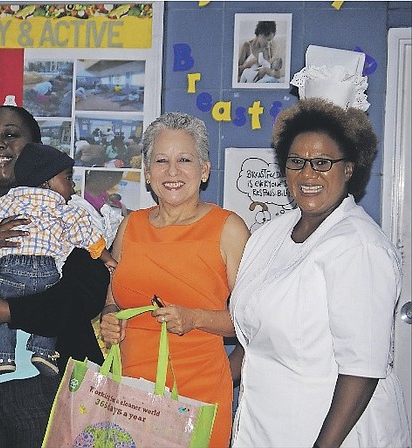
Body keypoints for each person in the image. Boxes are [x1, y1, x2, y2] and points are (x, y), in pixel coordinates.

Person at [228, 98, 411, 447]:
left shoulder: (360, 247)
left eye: (323, 162)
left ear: (349, 169)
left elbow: (362, 370)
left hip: (331, 432)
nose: (308, 174)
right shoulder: (270, 235)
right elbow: (254, 339)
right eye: (296, 161)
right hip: (265, 425)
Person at [0, 105, 110, 447]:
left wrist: (12, 313)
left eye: (11, 135)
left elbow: (85, 295)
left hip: (42, 383)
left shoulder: (69, 212)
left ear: (35, 150)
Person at [99, 112, 250, 448]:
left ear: (204, 170)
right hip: (129, 391)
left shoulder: (229, 229)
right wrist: (110, 318)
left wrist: (194, 318)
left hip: (198, 392)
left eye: (184, 160)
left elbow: (250, 323)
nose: (172, 172)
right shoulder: (130, 226)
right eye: (161, 161)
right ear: (148, 173)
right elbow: (113, 299)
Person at [0, 142, 117, 378]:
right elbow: (87, 236)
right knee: (49, 300)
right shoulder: (65, 208)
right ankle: (43, 351)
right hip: (46, 270)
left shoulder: (10, 200)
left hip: (12, 268)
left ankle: (2, 356)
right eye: (68, 179)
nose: (72, 187)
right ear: (46, 183)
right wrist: (106, 257)